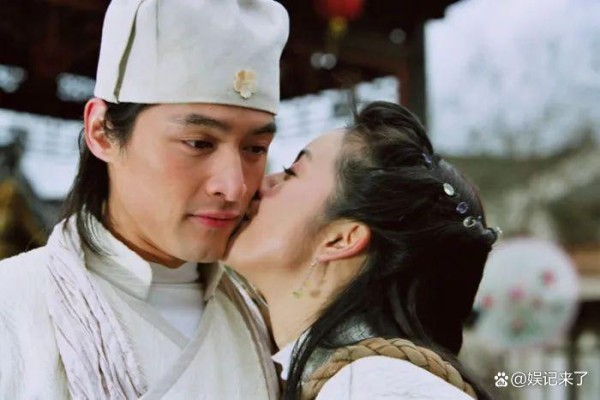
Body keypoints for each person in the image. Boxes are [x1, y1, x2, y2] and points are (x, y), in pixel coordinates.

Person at [0, 1, 288, 399]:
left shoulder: (269, 320)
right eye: (198, 143)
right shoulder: (12, 306)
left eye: (255, 148)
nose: (234, 186)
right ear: (101, 132)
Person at [224, 101, 499, 399]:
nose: (256, 185)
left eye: (290, 173)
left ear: (341, 239)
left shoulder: (379, 388)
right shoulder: (356, 382)